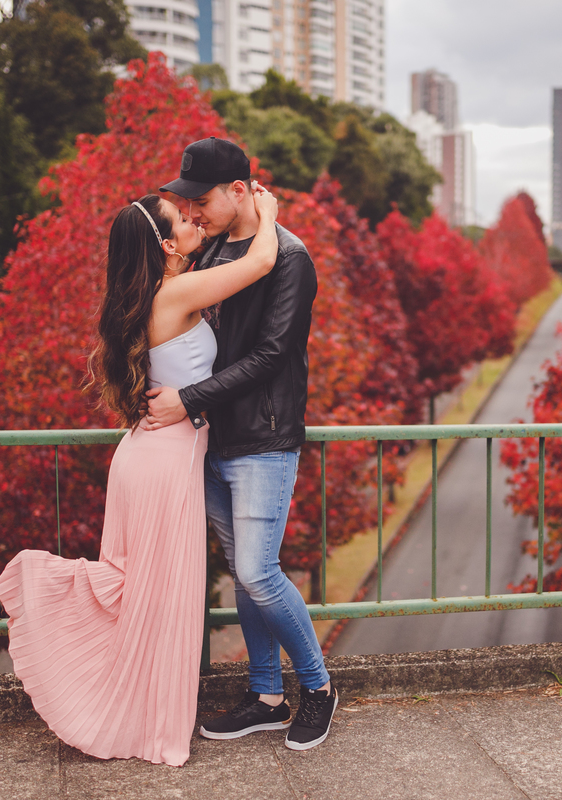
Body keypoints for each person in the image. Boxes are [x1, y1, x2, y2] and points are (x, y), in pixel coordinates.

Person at [0, 182, 281, 767]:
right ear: (167, 246)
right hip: (165, 463)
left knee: (146, 592)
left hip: (148, 457)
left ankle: (147, 715)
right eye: (184, 218)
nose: (196, 220)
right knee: (160, 595)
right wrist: (266, 211)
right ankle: (143, 721)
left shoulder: (153, 294)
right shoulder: (175, 294)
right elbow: (264, 259)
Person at [144, 136, 337, 752]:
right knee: (244, 573)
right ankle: (265, 698)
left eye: (200, 199)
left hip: (263, 437)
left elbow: (271, 353)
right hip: (213, 440)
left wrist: (188, 401)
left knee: (258, 569)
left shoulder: (290, 257)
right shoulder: (211, 253)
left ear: (238, 190)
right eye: (186, 201)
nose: (193, 211)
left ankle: (319, 688)